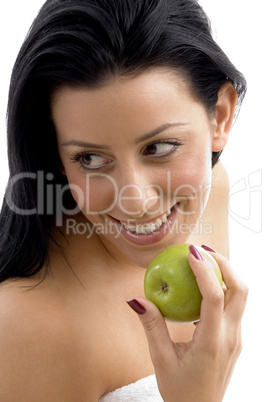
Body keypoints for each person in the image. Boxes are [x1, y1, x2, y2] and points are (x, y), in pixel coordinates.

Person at [0, 0, 248, 400]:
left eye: (160, 147)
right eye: (91, 158)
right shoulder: (27, 326)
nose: (136, 202)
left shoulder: (212, 192)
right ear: (56, 155)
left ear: (219, 115)